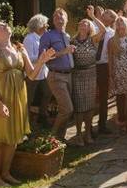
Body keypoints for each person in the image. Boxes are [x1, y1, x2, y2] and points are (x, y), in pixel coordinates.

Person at [0, 21, 53, 187]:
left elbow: (32, 75)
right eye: (0, 25)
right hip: (1, 98)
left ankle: (6, 173)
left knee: (13, 137)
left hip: (18, 97)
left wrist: (42, 61)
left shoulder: (20, 48)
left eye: (5, 24)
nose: (5, 25)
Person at [39, 8, 76, 140]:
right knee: (67, 108)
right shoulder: (47, 36)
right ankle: (52, 137)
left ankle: (61, 138)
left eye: (61, 15)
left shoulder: (67, 36)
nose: (58, 17)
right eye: (55, 15)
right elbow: (42, 58)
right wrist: (63, 52)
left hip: (69, 75)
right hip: (56, 75)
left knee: (64, 109)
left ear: (66, 19)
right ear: (53, 20)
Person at [69, 8, 105, 145]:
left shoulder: (92, 40)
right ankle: (78, 135)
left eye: (86, 23)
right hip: (77, 75)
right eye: (81, 23)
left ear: (90, 27)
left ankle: (88, 133)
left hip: (91, 74)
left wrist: (92, 17)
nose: (83, 24)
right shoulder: (72, 41)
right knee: (79, 107)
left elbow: (103, 30)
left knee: (90, 106)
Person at [22, 14, 52, 125]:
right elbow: (28, 57)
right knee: (28, 98)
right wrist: (43, 57)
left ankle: (42, 115)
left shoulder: (43, 37)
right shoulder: (29, 39)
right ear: (39, 25)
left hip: (43, 72)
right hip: (32, 73)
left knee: (48, 93)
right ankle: (26, 122)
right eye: (45, 24)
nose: (47, 25)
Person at [95, 7, 117, 136]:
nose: (104, 14)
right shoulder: (94, 27)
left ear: (111, 20)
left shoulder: (112, 33)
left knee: (103, 97)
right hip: (91, 64)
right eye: (105, 12)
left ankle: (102, 125)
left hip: (103, 65)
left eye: (108, 14)